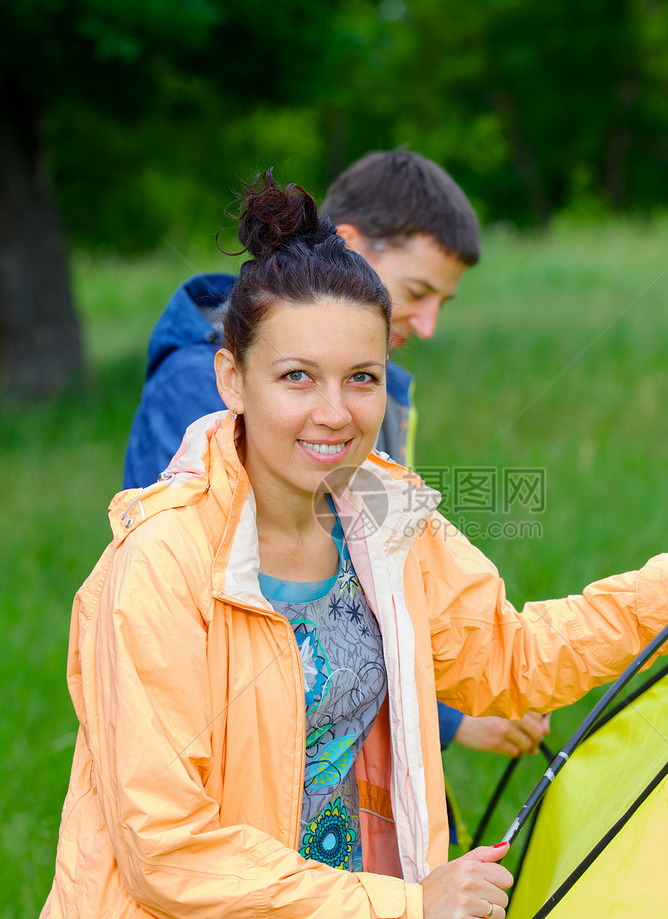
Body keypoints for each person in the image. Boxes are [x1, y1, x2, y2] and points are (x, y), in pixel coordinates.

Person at [3, 175, 668, 919]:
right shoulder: (158, 566)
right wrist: (406, 908)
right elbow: (167, 846)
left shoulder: (382, 511)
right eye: (295, 376)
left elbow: (508, 656)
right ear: (229, 378)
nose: (333, 413)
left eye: (362, 378)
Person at [123, 149, 548, 764]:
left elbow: (390, 588)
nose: (427, 324)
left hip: (347, 762)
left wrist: (463, 698)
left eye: (361, 380)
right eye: (418, 291)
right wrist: (452, 717)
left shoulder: (384, 396)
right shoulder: (198, 393)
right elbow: (231, 628)